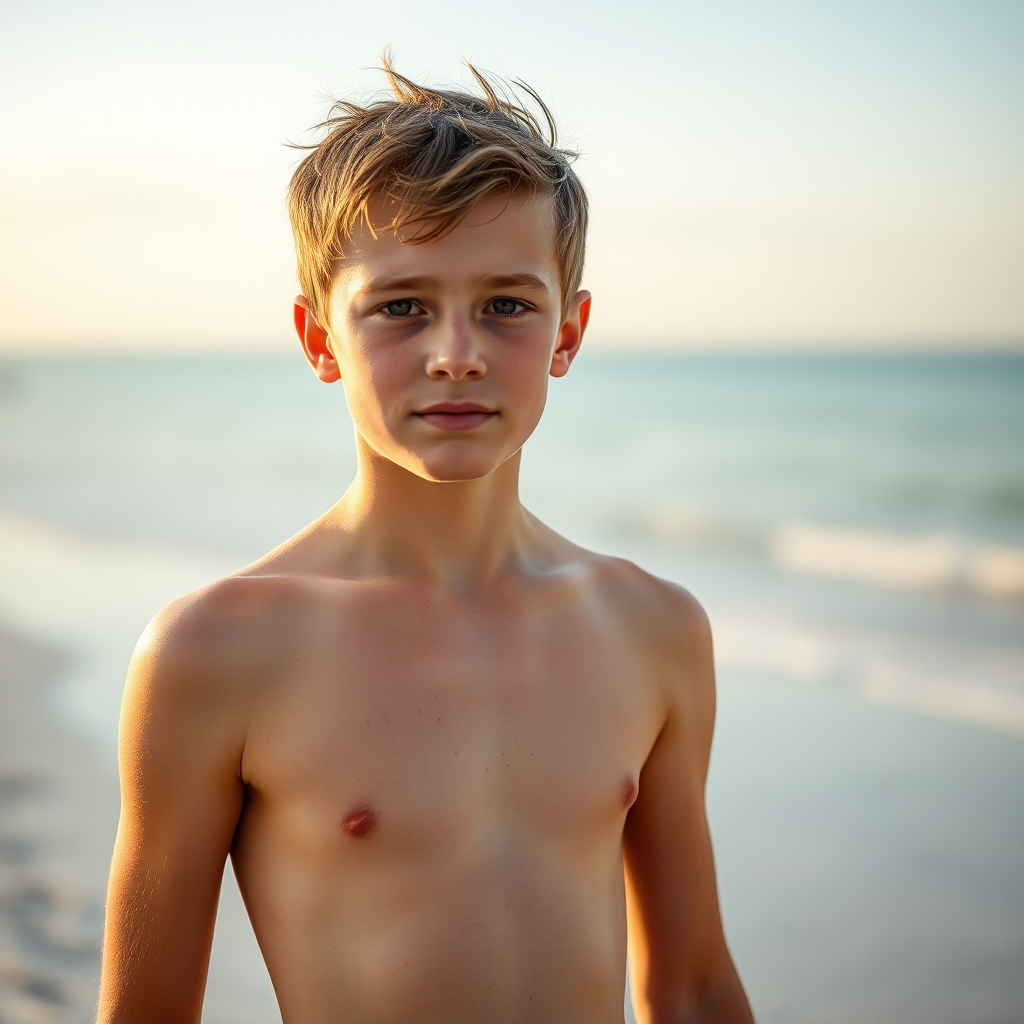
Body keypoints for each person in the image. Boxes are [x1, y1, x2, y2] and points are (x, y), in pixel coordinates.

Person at [97, 61, 754, 1024]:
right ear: (320, 339)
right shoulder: (218, 648)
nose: (458, 351)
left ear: (568, 332)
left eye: (507, 305)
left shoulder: (653, 628)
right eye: (400, 306)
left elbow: (691, 987)